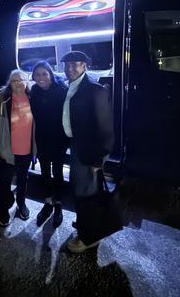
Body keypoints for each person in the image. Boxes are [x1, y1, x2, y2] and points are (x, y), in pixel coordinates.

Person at [60, 51, 115, 253]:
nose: (69, 69)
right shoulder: (70, 87)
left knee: (87, 194)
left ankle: (88, 238)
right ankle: (85, 225)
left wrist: (99, 159)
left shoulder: (94, 90)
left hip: (89, 153)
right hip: (76, 147)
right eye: (66, 65)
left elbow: (106, 129)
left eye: (75, 65)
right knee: (80, 191)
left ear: (84, 66)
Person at [0, 69, 36, 226]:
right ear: (9, 83)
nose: (18, 83)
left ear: (27, 81)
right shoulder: (1, 101)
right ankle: (3, 208)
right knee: (5, 181)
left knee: (23, 179)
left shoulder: (33, 98)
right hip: (6, 150)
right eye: (14, 81)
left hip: (26, 150)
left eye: (21, 80)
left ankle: (21, 203)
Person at [30, 61, 68, 228]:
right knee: (45, 172)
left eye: (44, 74)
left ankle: (58, 205)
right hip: (42, 139)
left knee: (58, 173)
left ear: (51, 74)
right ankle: (47, 204)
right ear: (33, 77)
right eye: (37, 75)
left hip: (59, 139)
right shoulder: (35, 92)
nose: (41, 77)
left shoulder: (62, 90)